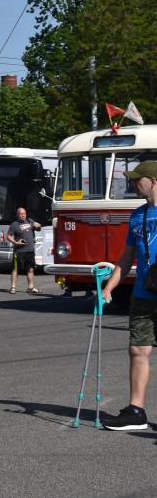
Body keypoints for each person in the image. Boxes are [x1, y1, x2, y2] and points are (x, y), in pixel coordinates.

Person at [100, 160, 157, 431]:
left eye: (138, 180)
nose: (134, 184)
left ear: (153, 181)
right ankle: (136, 412)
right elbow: (126, 258)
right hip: (144, 293)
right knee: (137, 349)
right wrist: (109, 286)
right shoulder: (138, 215)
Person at [5, 206, 43, 294]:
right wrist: (15, 242)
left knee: (30, 269)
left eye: (24, 213)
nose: (23, 215)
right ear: (17, 215)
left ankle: (30, 287)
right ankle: (13, 287)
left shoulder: (30, 221)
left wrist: (38, 226)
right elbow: (8, 236)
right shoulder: (14, 224)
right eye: (21, 214)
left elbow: (38, 228)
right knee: (16, 269)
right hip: (19, 251)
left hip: (30, 250)